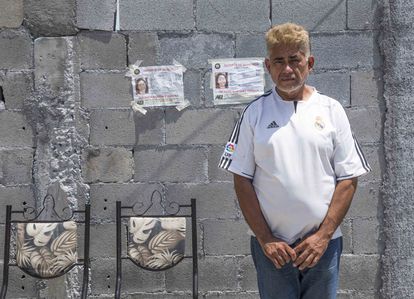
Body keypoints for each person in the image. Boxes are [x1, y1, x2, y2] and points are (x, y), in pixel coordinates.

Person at [218, 23, 371, 299]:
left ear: (309, 63)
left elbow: (348, 178)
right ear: (268, 66)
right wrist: (266, 239)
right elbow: (241, 179)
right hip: (274, 251)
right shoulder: (254, 114)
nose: (287, 69)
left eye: (294, 60)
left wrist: (323, 236)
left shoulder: (331, 110)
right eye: (278, 61)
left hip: (323, 248)